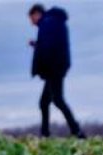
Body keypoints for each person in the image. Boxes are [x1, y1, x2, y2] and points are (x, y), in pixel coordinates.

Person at [29, 4, 85, 138]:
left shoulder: (48, 23)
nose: (31, 22)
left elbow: (49, 48)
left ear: (37, 14)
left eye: (31, 18)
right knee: (44, 102)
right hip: (57, 67)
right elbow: (51, 44)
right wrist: (37, 45)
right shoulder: (53, 22)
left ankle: (76, 131)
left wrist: (43, 67)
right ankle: (45, 133)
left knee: (58, 100)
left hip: (54, 68)